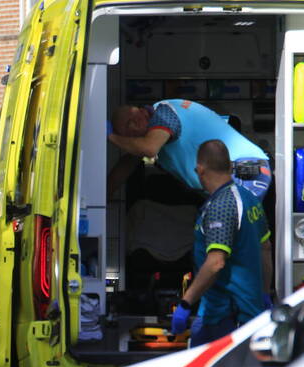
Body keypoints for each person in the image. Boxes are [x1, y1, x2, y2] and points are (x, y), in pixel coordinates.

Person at [170, 140, 273, 347]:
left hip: (224, 316)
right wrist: (264, 293)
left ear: (200, 170)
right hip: (247, 313)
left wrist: (185, 302)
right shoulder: (250, 199)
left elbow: (216, 262)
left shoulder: (221, 205)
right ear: (229, 166)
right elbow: (265, 248)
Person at [108, 100, 271, 200]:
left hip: (245, 169)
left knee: (227, 241)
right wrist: (103, 196)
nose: (132, 135)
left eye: (132, 124)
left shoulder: (164, 113)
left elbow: (149, 148)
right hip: (236, 174)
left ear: (143, 113)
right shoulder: (152, 131)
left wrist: (110, 137)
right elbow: (127, 163)